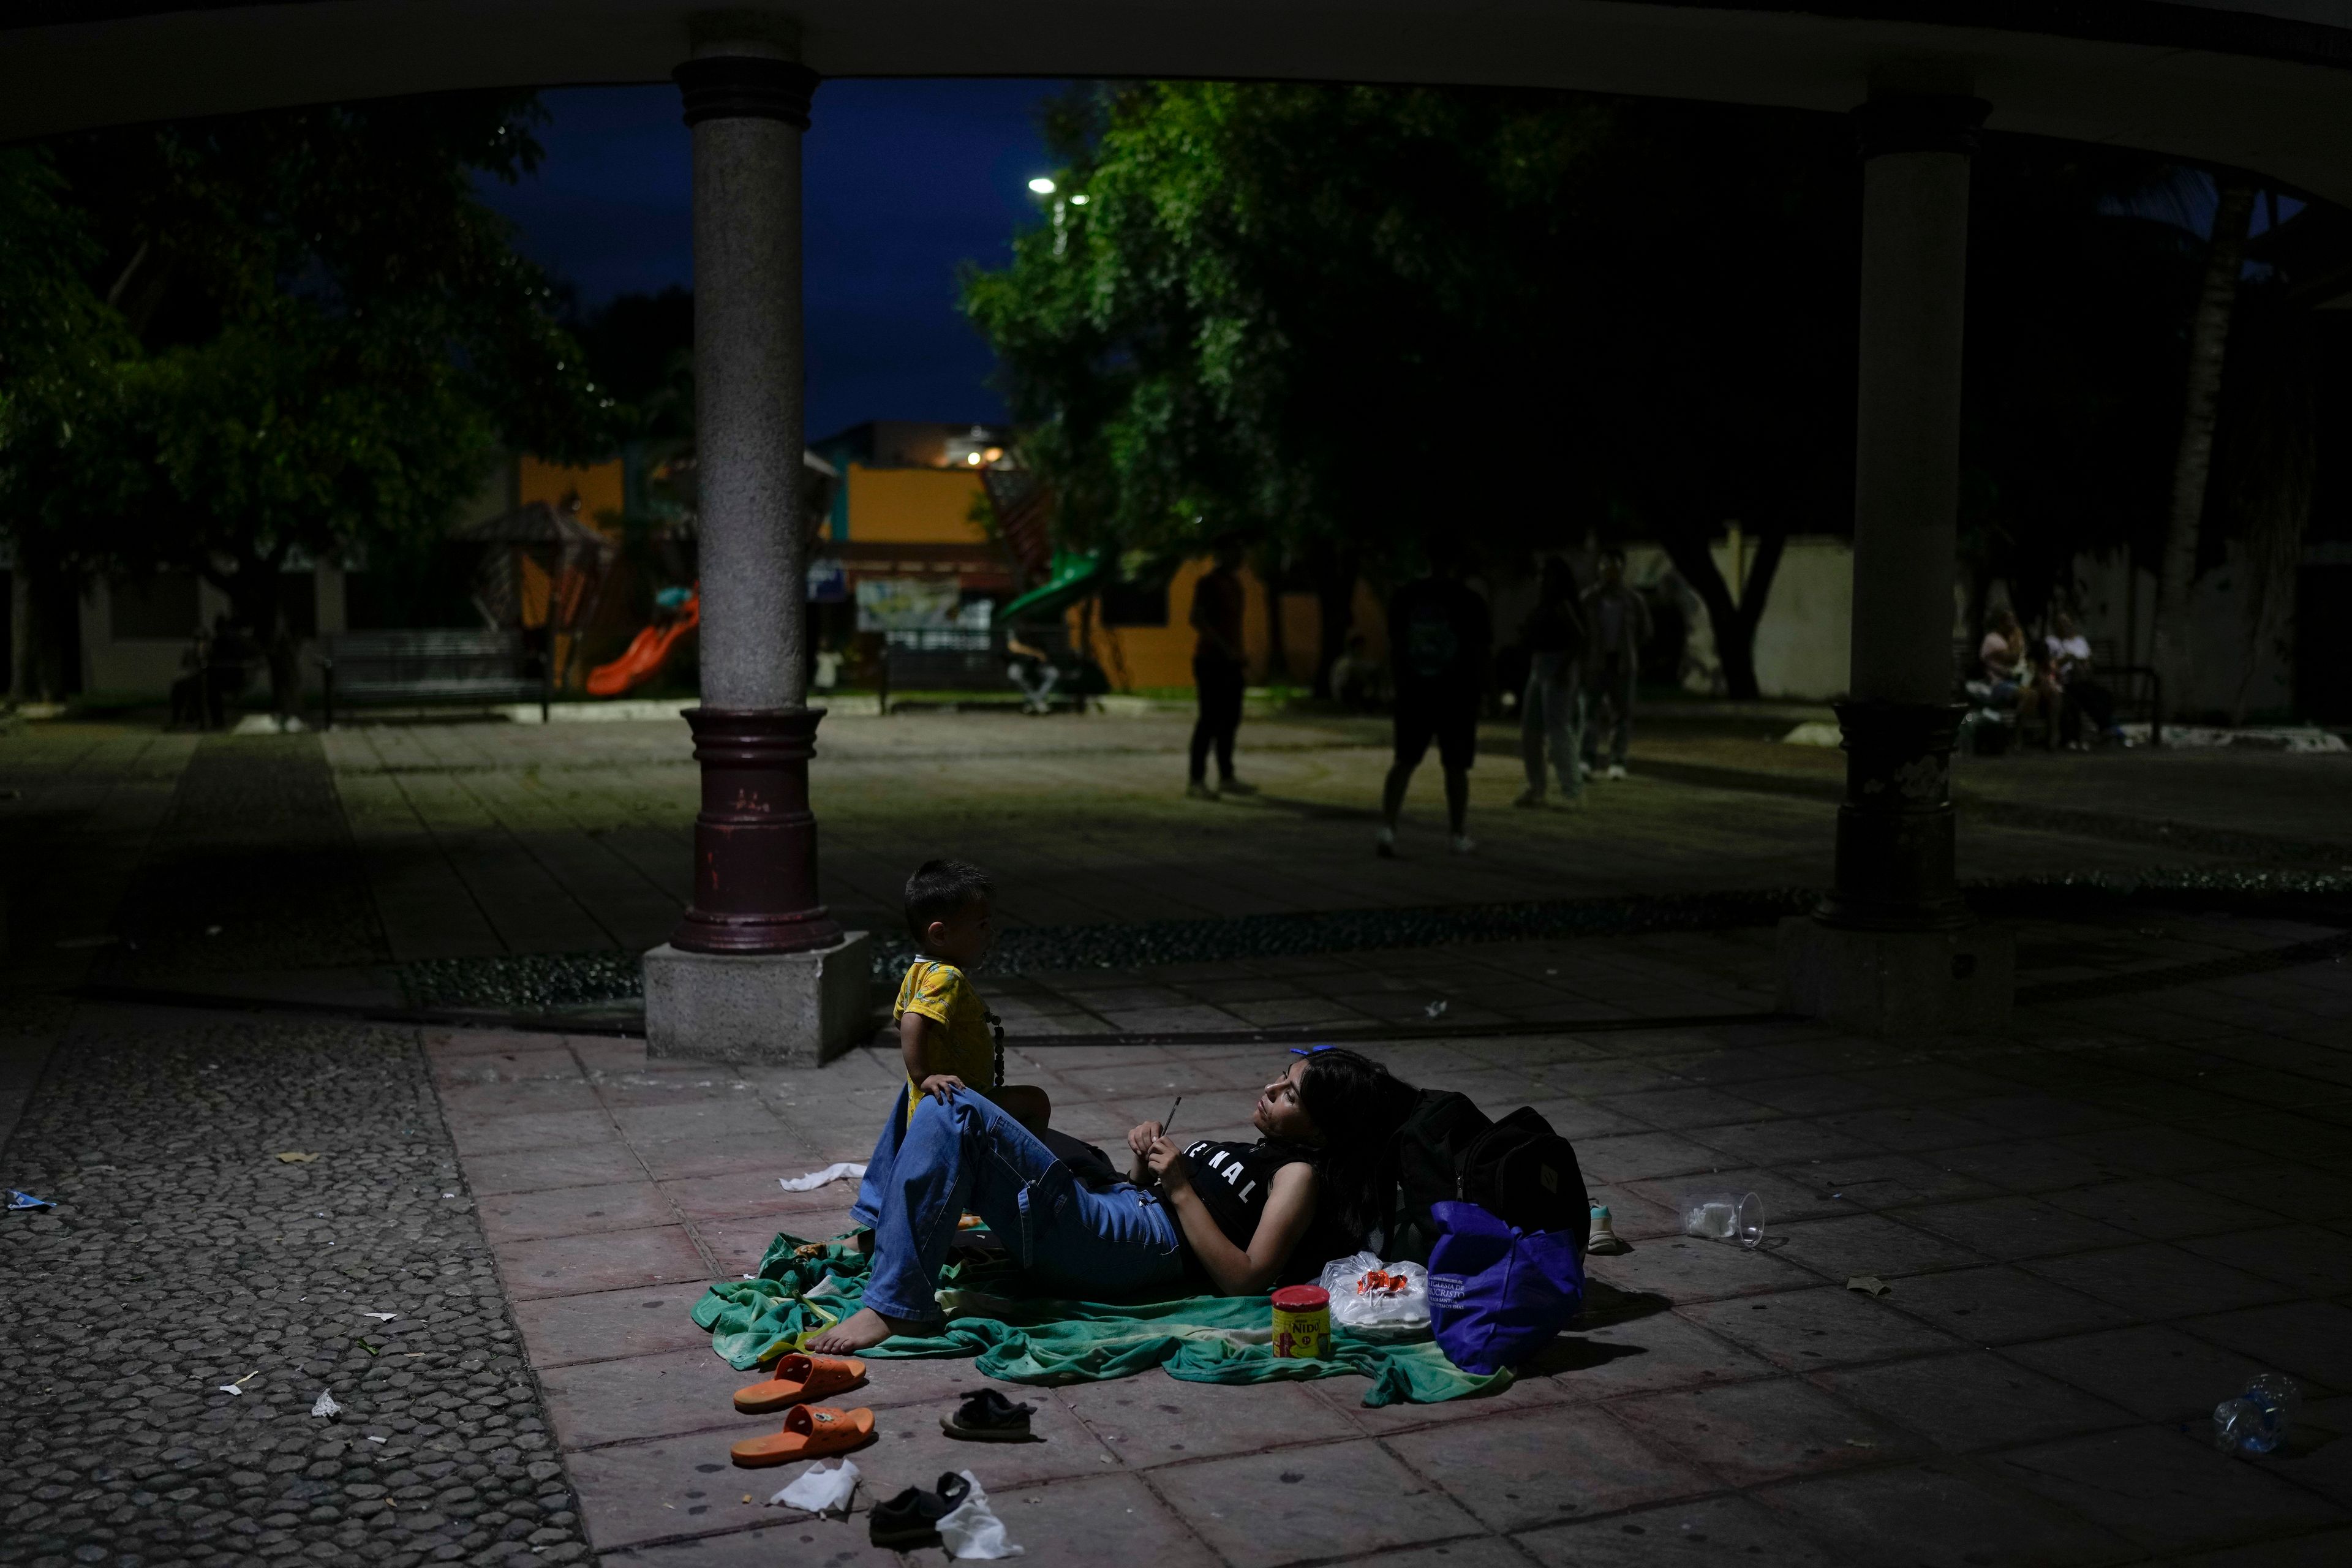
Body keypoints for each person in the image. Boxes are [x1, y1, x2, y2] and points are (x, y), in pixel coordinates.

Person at [813, 1046, 1419, 1353]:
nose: (1270, 1089)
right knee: (948, 1091)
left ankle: (897, 1304)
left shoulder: (1299, 1177)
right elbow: (1158, 1194)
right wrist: (1146, 1161)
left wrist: (1179, 1188)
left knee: (955, 1111)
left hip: (1130, 1240)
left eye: (1289, 1095)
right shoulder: (1259, 1150)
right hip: (1117, 1202)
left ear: (1322, 1129)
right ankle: (879, 1230)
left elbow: (1246, 1278)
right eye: (1281, 1079)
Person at [873, 859, 1052, 1136]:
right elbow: (911, 1020)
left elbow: (900, 1018)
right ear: (940, 934)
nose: (990, 933)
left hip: (937, 1103)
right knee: (1035, 1101)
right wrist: (925, 1077)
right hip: (959, 1103)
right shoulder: (947, 977)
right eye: (981, 925)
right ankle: (1030, 1170)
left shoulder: (917, 971)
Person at [1379, 546, 1491, 857]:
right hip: (1456, 694)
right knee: (1455, 767)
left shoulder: (1406, 596)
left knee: (1404, 761)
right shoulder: (1469, 601)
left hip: (1416, 691)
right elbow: (1481, 651)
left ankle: (1388, 828)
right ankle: (1457, 833)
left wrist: (1396, 683)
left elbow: (1395, 646)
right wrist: (1482, 692)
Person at [1515, 556, 1586, 808]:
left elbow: (1579, 637)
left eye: (1547, 575)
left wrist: (1564, 668)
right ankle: (1537, 788)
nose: (1542, 579)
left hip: (1557, 666)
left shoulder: (1561, 604)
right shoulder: (1543, 604)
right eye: (1541, 574)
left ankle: (1573, 792)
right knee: (1531, 730)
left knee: (1558, 729)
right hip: (1541, 665)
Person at [1187, 540, 1253, 798]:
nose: (1241, 556)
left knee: (1231, 719)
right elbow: (1197, 618)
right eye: (1235, 550)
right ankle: (1196, 780)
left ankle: (1227, 776)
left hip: (1231, 661)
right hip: (1211, 661)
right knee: (1209, 720)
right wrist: (1226, 648)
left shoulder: (1235, 585)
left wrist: (1238, 652)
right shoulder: (1208, 584)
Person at [1581, 549, 1651, 782]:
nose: (1609, 571)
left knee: (1621, 714)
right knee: (1589, 712)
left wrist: (1630, 649)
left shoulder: (1633, 600)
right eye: (1605, 565)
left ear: (1622, 569)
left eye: (1614, 566)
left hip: (1622, 663)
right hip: (1595, 662)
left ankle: (1618, 761)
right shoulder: (1589, 598)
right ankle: (1586, 760)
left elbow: (1645, 631)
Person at [2046, 611, 2121, 747]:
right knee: (2084, 695)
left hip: (2084, 679)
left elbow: (2089, 663)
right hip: (2066, 681)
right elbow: (2050, 665)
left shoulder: (2080, 641)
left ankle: (2106, 729)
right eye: (2061, 624)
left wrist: (2086, 663)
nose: (2065, 627)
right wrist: (2066, 659)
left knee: (2104, 695)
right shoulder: (2052, 642)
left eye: (2067, 623)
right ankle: (2106, 728)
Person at [1003, 624, 1060, 714]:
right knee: (1013, 673)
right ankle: (1038, 702)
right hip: (1021, 663)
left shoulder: (1040, 631)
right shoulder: (1014, 630)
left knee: (1053, 673)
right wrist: (1034, 653)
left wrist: (1038, 655)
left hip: (1038, 665)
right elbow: (1015, 648)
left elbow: (1044, 656)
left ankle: (1033, 701)